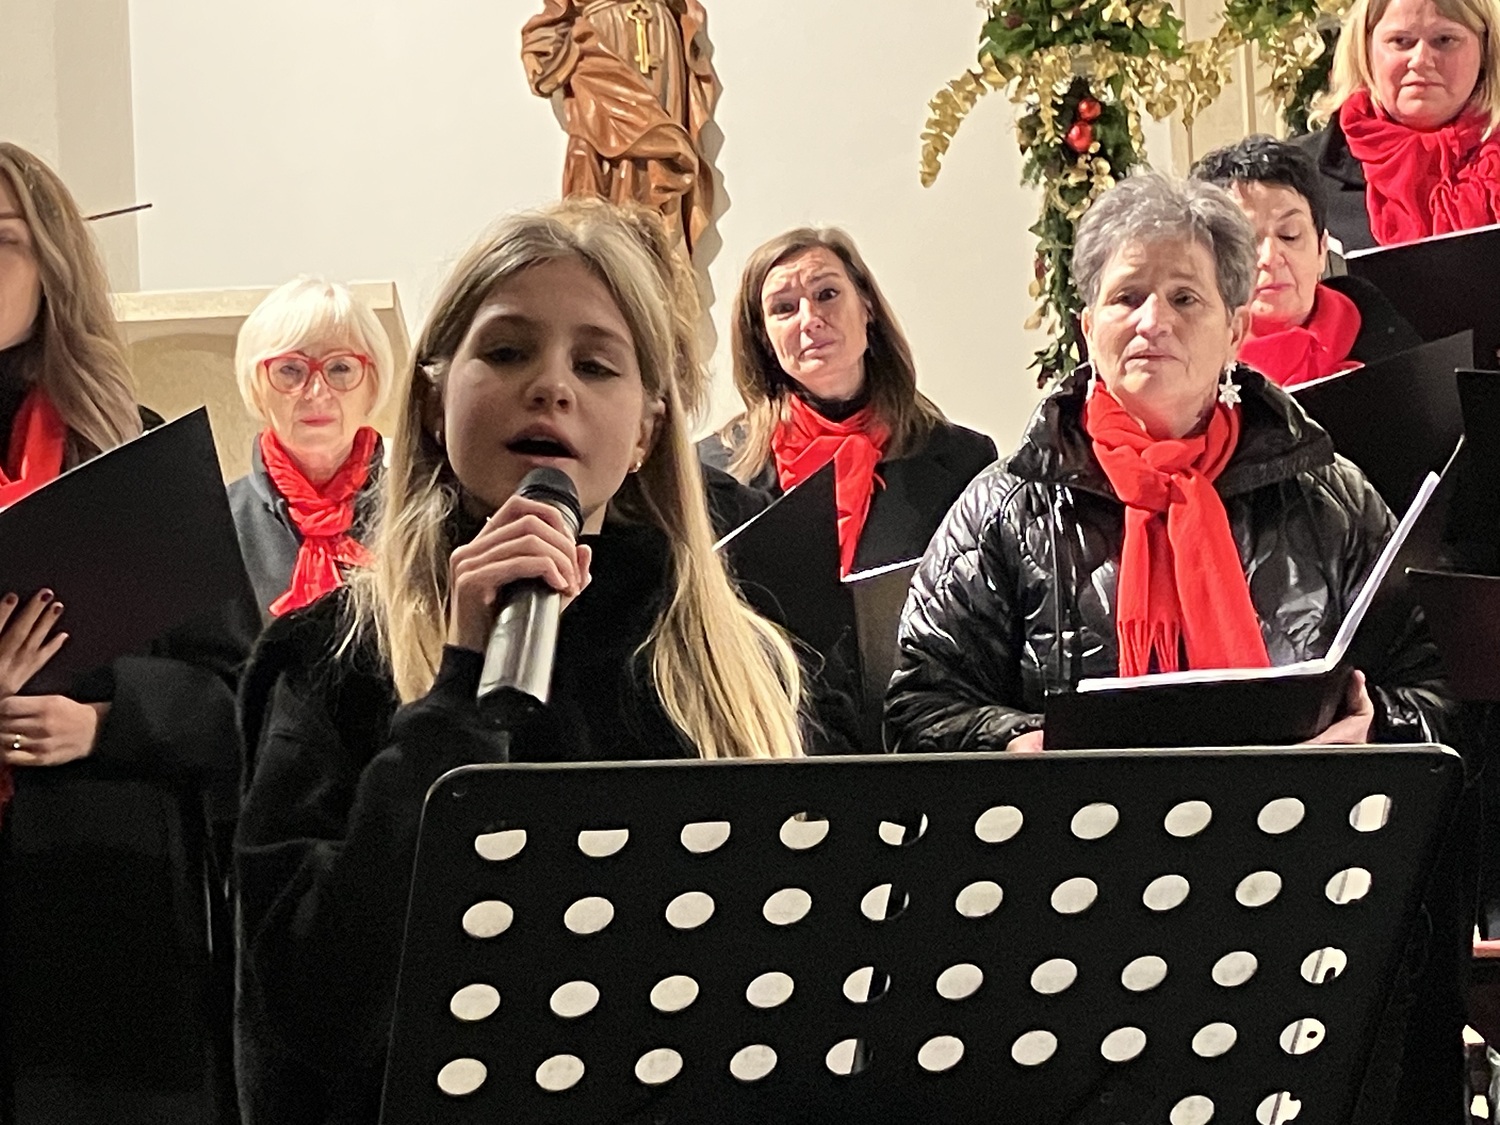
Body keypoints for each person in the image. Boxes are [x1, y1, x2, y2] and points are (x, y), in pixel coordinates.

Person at [235, 200, 846, 1125]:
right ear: (434, 401)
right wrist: (457, 695)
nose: (552, 386)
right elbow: (308, 1014)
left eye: (595, 364)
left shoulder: (737, 665)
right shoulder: (326, 658)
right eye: (508, 350)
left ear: (645, 431)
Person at [885, 170, 1460, 1123]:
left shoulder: (1330, 496)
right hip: (1071, 916)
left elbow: (1433, 683)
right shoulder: (1003, 508)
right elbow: (919, 704)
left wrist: (1370, 735)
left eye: (1186, 297)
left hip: (1294, 904)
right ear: (1087, 327)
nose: (1153, 319)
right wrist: (1027, 746)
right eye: (1127, 295)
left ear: (1236, 327)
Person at [0, 142, 242, 1122]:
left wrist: (102, 719)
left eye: (2, 240)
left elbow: (236, 703)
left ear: (52, 265)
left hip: (106, 936)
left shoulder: (131, 454)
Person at [700, 227, 997, 577]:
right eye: (784, 308)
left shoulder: (964, 461)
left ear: (866, 306)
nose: (810, 320)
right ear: (764, 337)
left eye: (826, 294)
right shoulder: (710, 471)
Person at [1192, 134, 1421, 387]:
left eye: (1289, 235)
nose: (1271, 257)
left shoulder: (1375, 325)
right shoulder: (1189, 363)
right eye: (1247, 241)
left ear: (1321, 249)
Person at [227, 278, 393, 622]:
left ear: (373, 385)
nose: (317, 391)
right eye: (290, 369)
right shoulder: (219, 525)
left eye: (340, 367)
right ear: (257, 388)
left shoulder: (416, 511)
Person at [1295, 0, 1500, 252]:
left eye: (1444, 40)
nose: (1421, 60)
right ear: (1365, 50)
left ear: (1485, 51)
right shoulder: (1295, 178)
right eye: (1401, 41)